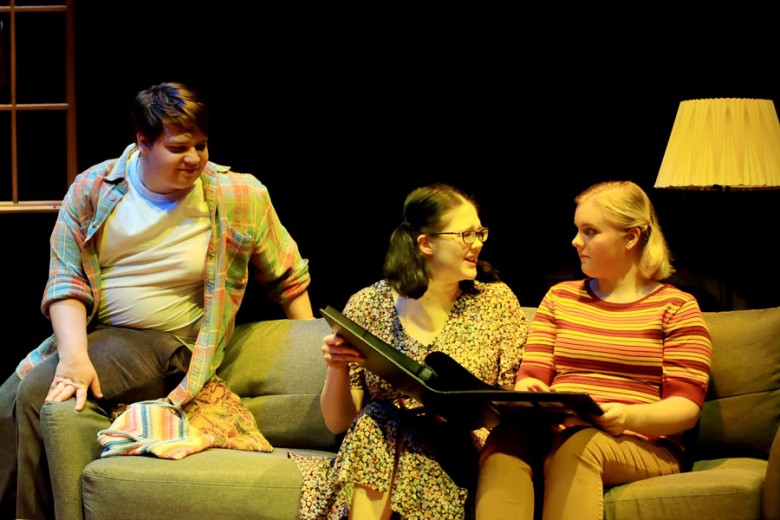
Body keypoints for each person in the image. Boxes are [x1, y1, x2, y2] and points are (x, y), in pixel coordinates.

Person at [0, 82, 313, 520]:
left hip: (174, 343)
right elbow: (66, 281)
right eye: (179, 147)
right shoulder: (93, 189)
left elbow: (287, 277)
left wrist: (314, 353)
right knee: (8, 399)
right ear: (142, 143)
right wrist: (73, 356)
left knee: (37, 392)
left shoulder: (239, 195)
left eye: (202, 146)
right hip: (102, 336)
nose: (195, 159)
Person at [475, 180, 713, 520]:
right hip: (560, 429)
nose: (576, 241)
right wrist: (532, 394)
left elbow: (686, 407)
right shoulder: (560, 298)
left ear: (631, 237)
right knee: (504, 442)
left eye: (590, 231)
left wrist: (626, 417)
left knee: (578, 446)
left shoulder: (676, 307)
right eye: (577, 230)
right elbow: (531, 377)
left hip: (639, 442)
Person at [290, 183, 528, 519]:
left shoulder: (496, 302)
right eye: (466, 234)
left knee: (404, 425)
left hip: (458, 449)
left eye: (480, 233)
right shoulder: (370, 304)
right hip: (381, 446)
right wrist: (336, 367)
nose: (477, 244)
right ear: (426, 243)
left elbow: (511, 402)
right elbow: (339, 421)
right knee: (381, 416)